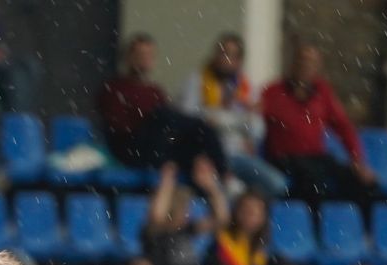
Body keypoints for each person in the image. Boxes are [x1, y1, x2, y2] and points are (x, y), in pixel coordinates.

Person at [178, 32, 288, 199]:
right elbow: (187, 119)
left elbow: (256, 129)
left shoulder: (246, 87)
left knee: (278, 184)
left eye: (230, 54)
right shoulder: (197, 80)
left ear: (239, 61)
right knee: (227, 192)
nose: (224, 58)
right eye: (221, 53)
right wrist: (236, 120)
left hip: (239, 155)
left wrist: (221, 119)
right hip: (208, 155)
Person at [261, 44, 374, 203]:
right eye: (302, 61)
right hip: (284, 159)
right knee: (313, 179)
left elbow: (343, 126)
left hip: (315, 157)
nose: (306, 67)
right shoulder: (273, 92)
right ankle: (313, 223)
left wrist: (357, 160)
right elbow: (255, 122)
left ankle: (352, 224)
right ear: (293, 64)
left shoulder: (323, 93)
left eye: (312, 63)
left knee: (361, 182)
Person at [98, 34, 225, 175]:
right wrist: (150, 119)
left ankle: (222, 174)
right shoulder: (113, 89)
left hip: (159, 147)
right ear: (128, 57)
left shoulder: (156, 91)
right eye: (141, 54)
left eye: (149, 55)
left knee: (199, 130)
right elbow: (119, 128)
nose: (145, 59)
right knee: (164, 116)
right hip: (131, 149)